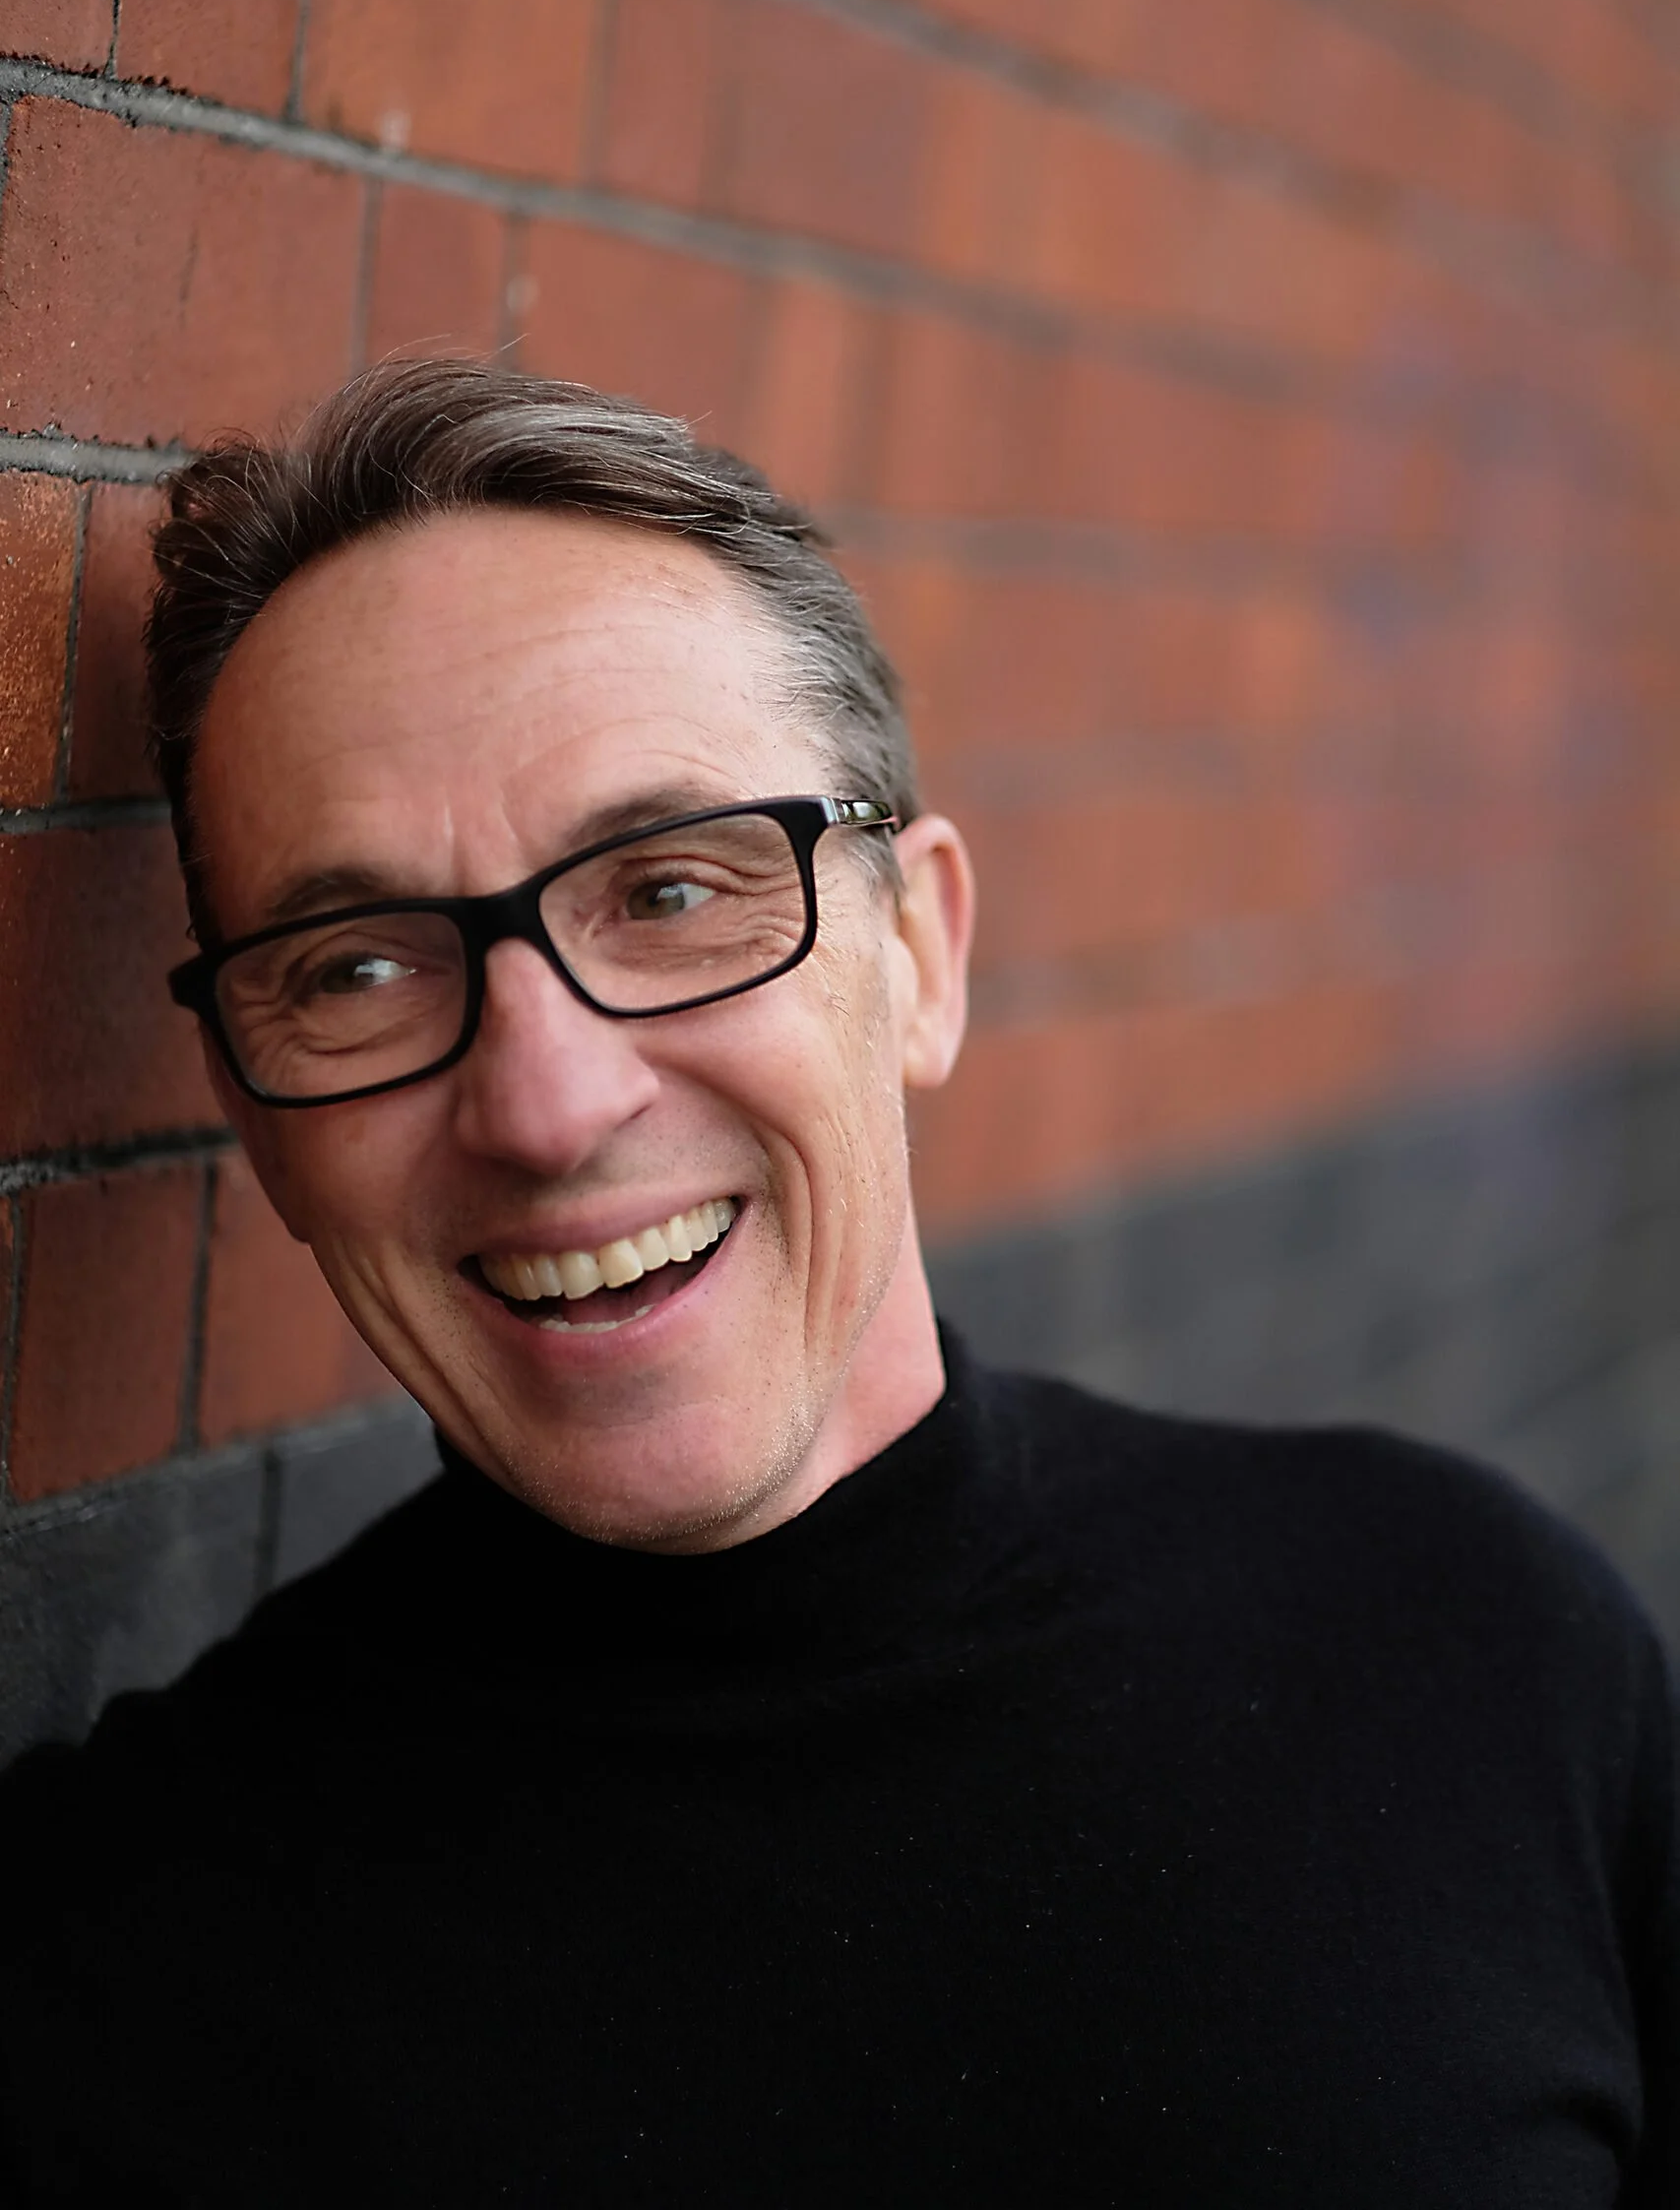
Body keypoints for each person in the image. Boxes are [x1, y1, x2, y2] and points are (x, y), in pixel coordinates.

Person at [0, 358, 1672, 2206]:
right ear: (255, 1119)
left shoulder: (1468, 1646)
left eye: (668, 892)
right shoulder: (108, 1979)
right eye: (360, 971)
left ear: (921, 956)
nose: (546, 1105)